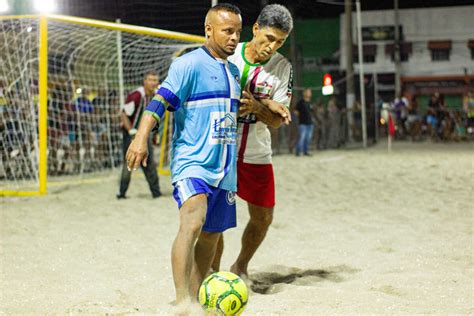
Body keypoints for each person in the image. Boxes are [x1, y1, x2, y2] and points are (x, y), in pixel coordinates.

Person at [125, 3, 243, 306]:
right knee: (193, 220)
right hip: (192, 162)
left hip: (225, 170)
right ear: (209, 30)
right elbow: (159, 102)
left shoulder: (232, 71)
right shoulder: (187, 64)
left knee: (211, 236)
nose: (233, 38)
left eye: (237, 33)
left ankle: (197, 297)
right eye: (228, 31)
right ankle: (180, 301)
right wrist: (140, 138)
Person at [211, 4, 294, 278]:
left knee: (263, 217)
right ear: (256, 28)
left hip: (256, 153)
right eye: (269, 38)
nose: (272, 46)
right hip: (220, 149)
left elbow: (277, 121)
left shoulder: (282, 68)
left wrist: (259, 108)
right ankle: (213, 273)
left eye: (280, 42)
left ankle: (240, 266)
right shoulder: (229, 52)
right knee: (215, 221)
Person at [117, 71, 161, 199]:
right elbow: (123, 114)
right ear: (144, 81)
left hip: (143, 134)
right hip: (131, 134)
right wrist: (131, 130)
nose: (153, 82)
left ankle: (156, 193)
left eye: (155, 80)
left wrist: (154, 134)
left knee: (149, 163)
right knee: (129, 162)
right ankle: (122, 193)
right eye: (150, 80)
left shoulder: (155, 96)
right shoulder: (137, 95)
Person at [295, 88, 314, 156]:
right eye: (308, 92)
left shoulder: (310, 102)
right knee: (302, 138)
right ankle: (298, 151)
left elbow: (311, 111)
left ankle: (306, 151)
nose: (309, 93)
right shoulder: (300, 102)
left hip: (310, 123)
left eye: (309, 92)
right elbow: (296, 111)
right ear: (304, 93)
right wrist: (300, 117)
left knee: (308, 138)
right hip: (302, 123)